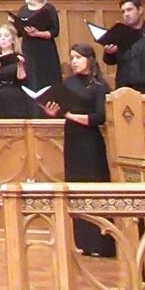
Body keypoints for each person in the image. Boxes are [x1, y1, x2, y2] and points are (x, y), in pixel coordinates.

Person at [40, 43, 116, 257]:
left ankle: (102, 244)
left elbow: (98, 117)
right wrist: (52, 110)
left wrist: (68, 115)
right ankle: (84, 242)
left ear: (89, 59)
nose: (73, 61)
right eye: (71, 57)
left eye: (78, 57)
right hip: (72, 140)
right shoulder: (69, 82)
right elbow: (60, 106)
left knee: (93, 189)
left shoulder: (99, 85)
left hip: (90, 143)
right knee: (75, 190)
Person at [14, 0, 62, 116]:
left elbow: (55, 31)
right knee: (32, 81)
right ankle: (34, 114)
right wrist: (15, 23)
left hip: (46, 51)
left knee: (48, 82)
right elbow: (19, 32)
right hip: (29, 50)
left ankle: (51, 114)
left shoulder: (49, 8)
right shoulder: (23, 10)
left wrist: (38, 33)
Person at [103, 0, 145, 103]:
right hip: (124, 92)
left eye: (129, 10)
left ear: (140, 10)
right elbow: (110, 61)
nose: (126, 14)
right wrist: (109, 53)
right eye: (123, 12)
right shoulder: (120, 34)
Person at [0, 24, 29, 118]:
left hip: (15, 96)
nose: (2, 39)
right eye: (0, 36)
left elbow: (23, 81)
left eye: (6, 35)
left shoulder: (20, 57)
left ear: (13, 39)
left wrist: (20, 65)